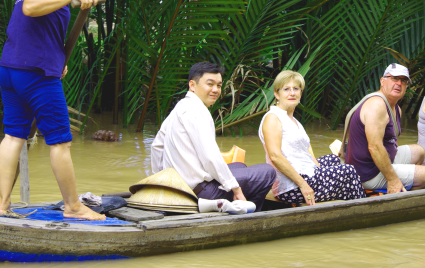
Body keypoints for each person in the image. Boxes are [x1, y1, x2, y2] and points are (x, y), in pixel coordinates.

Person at [0, 0, 103, 220]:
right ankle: (74, 207)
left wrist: (56, 61)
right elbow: (30, 8)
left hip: (12, 70)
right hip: (34, 74)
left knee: (13, 136)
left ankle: (1, 207)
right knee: (60, 141)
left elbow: (39, 30)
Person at [151, 62, 276, 211]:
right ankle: (249, 213)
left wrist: (162, 184)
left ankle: (241, 206)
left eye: (219, 85)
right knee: (267, 172)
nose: (215, 90)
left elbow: (156, 146)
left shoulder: (181, 106)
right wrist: (236, 189)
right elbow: (210, 157)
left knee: (239, 166)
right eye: (210, 84)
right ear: (192, 85)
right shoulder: (196, 111)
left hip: (180, 189)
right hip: (201, 193)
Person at [258, 70, 366, 205]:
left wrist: (319, 169)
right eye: (286, 89)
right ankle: (364, 207)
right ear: (276, 94)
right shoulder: (273, 118)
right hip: (292, 187)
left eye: (296, 89)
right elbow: (275, 156)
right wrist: (303, 185)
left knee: (336, 160)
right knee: (348, 171)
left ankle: (354, 195)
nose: (292, 93)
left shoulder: (293, 120)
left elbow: (306, 149)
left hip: (306, 173)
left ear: (300, 93)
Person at [345, 63, 425, 193]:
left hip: (380, 161)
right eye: (394, 78)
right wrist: (392, 179)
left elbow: (391, 142)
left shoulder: (396, 108)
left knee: (419, 151)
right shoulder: (377, 105)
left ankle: (403, 180)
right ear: (382, 81)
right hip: (367, 172)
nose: (399, 83)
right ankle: (394, 194)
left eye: (403, 81)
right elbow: (374, 147)